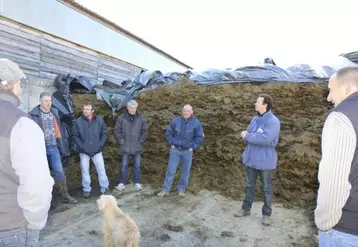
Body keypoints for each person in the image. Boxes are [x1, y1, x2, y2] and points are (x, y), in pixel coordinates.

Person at [0, 58, 54, 246]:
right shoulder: (21, 124)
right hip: (11, 228)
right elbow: (36, 187)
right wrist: (35, 222)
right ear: (13, 85)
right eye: (20, 84)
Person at [315, 67, 358, 246]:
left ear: (347, 88)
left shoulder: (341, 116)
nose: (329, 98)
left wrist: (325, 223)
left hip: (346, 229)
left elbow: (334, 180)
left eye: (331, 90)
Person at [236, 94, 280, 226]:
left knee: (266, 188)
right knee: (249, 185)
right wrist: (250, 136)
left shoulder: (273, 121)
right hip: (251, 158)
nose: (255, 103)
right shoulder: (255, 119)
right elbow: (248, 134)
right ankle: (245, 209)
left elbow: (266, 139)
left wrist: (249, 136)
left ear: (265, 105)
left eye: (257, 101)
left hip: (265, 160)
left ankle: (266, 214)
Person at [29, 92, 77, 204]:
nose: (48, 103)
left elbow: (59, 131)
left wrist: (62, 146)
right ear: (40, 101)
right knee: (41, 173)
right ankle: (41, 199)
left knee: (59, 171)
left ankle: (65, 196)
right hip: (40, 149)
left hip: (54, 147)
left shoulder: (55, 112)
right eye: (46, 101)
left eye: (50, 101)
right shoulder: (33, 115)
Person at [157, 104, 204, 197]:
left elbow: (199, 137)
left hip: (187, 151)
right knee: (171, 170)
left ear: (191, 112)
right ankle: (166, 190)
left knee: (185, 172)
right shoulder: (175, 121)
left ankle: (181, 189)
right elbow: (168, 133)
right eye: (184, 111)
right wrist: (172, 143)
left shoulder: (196, 123)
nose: (186, 112)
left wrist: (193, 147)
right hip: (175, 150)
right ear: (182, 112)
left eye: (188, 111)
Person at [72, 103, 111, 198]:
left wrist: (100, 145)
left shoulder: (99, 120)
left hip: (97, 150)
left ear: (92, 111)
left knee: (101, 170)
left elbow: (104, 133)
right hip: (84, 152)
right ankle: (86, 189)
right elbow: (75, 136)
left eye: (88, 109)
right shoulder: (78, 122)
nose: (85, 111)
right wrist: (82, 147)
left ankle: (104, 188)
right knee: (85, 171)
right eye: (84, 109)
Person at [114, 100, 148, 191]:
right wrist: (121, 141)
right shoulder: (121, 118)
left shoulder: (141, 119)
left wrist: (140, 141)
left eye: (135, 108)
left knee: (137, 165)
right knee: (124, 165)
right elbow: (117, 131)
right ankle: (122, 183)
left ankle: (137, 182)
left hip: (137, 147)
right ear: (127, 108)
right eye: (131, 108)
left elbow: (145, 131)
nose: (133, 110)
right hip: (125, 147)